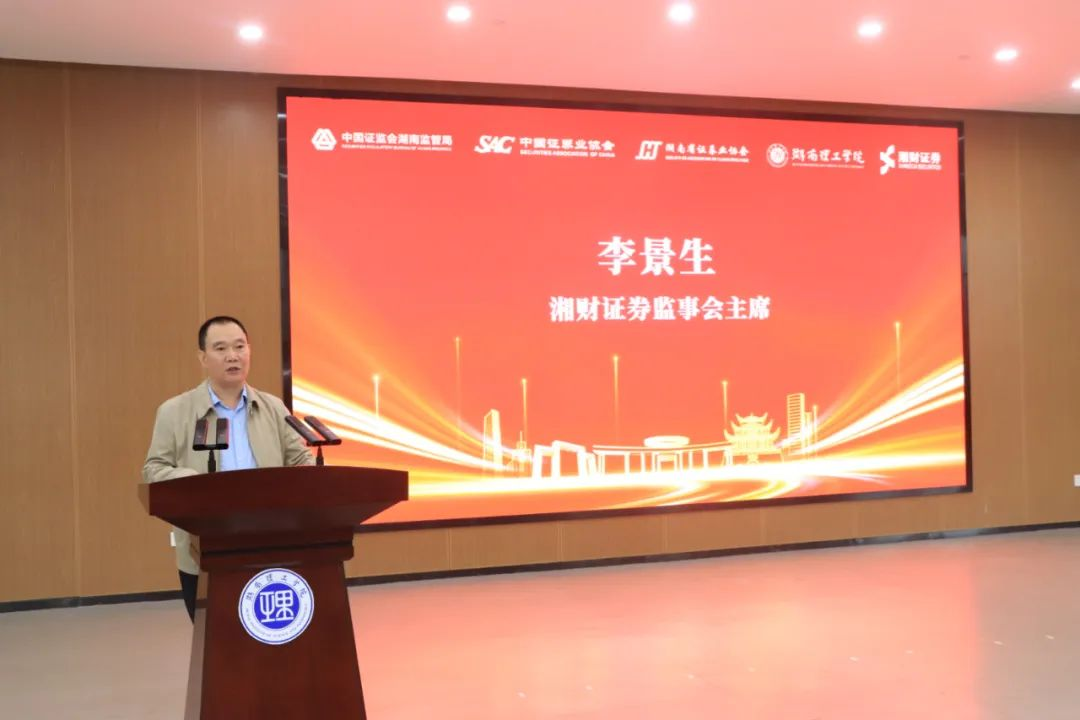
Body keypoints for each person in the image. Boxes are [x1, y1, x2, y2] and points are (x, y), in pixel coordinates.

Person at [142, 316, 313, 622]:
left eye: (239, 347)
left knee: (270, 632)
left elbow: (300, 460)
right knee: (213, 638)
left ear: (249, 351)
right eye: (221, 348)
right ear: (203, 358)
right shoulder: (175, 411)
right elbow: (154, 469)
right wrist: (192, 482)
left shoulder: (273, 407)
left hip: (269, 543)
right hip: (205, 547)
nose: (232, 356)